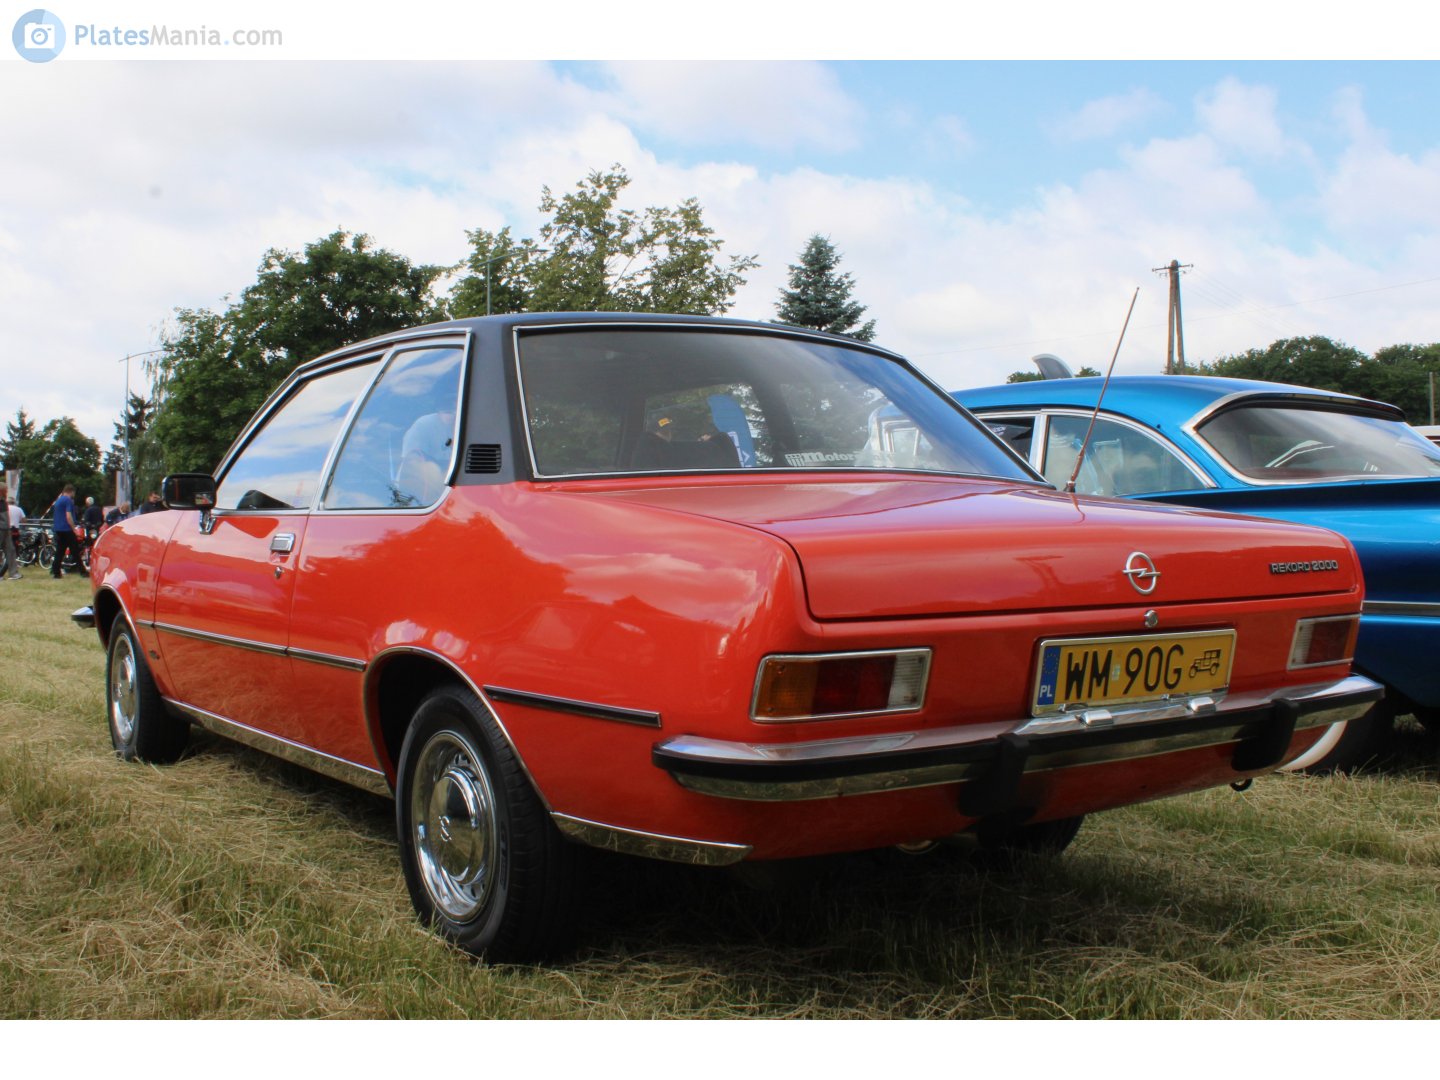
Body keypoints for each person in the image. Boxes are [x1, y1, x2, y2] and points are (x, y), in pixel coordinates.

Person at [51, 483, 84, 579]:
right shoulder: (68, 500)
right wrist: (74, 528)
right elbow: (68, 515)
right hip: (67, 529)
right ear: (71, 491)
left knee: (60, 551)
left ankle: (56, 571)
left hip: (58, 529)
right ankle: (82, 571)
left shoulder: (58, 501)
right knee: (75, 550)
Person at [0, 484, 20, 581]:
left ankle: (14, 573)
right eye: (6, 490)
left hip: (6, 529)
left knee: (11, 550)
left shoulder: (4, 502)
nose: (7, 491)